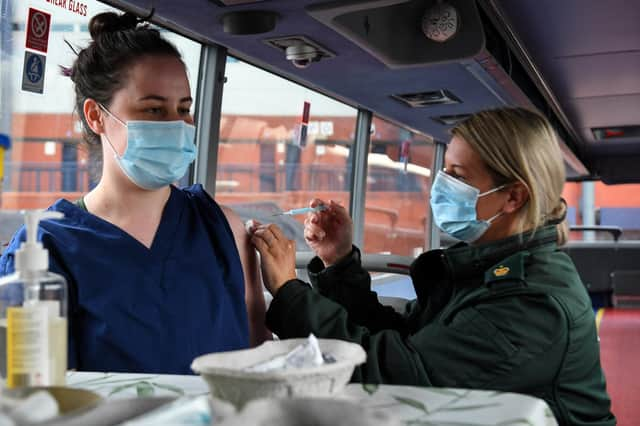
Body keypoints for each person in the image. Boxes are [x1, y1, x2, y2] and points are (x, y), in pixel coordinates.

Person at [249, 107, 615, 425]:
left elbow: (396, 378)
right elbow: (404, 341)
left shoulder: (530, 301)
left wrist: (286, 291)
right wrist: (338, 260)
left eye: (458, 175)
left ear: (513, 197)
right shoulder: (486, 270)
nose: (441, 187)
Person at [0, 11, 271, 374]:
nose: (177, 125)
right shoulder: (49, 249)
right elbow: (38, 393)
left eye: (184, 109)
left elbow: (256, 361)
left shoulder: (222, 227)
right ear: (97, 116)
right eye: (154, 109)